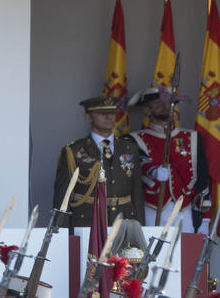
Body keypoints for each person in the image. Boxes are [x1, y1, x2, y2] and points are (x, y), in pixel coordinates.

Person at [128, 86, 211, 232]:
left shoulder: (192, 137)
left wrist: (205, 218)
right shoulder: (134, 139)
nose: (164, 105)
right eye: (158, 102)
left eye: (168, 102)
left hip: (185, 209)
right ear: (146, 110)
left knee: (185, 252)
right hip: (152, 208)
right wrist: (153, 172)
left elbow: (202, 177)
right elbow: (136, 165)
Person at [54, 95, 144, 228]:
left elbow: (137, 194)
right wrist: (62, 234)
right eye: (102, 113)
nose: (109, 117)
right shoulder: (73, 151)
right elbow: (63, 198)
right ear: (88, 117)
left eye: (112, 113)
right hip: (88, 223)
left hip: (124, 221)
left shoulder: (130, 148)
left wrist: (140, 227)